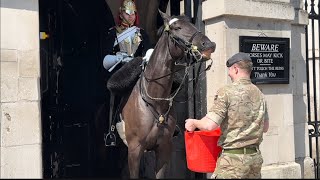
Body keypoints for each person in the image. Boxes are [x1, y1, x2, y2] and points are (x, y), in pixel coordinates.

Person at [185, 52, 269, 179]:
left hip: (232, 162)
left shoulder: (226, 92)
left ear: (235, 69)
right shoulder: (259, 94)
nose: (229, 73)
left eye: (229, 70)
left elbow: (209, 125)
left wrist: (194, 123)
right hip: (254, 160)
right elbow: (265, 127)